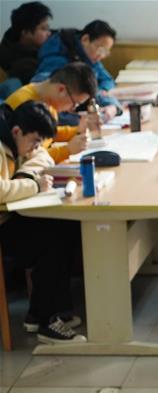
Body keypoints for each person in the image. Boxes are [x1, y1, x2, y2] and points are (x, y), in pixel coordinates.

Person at [0, 101, 85, 343]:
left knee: (66, 226)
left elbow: (42, 156)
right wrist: (33, 184)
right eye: (33, 141)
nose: (34, 148)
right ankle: (47, 324)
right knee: (50, 242)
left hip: (10, 215)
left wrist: (26, 173)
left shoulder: (17, 136)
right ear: (17, 132)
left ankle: (40, 314)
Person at [4, 62, 98, 163]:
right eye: (74, 103)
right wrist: (67, 150)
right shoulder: (24, 104)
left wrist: (77, 130)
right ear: (61, 90)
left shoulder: (49, 102)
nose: (72, 109)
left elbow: (46, 135)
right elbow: (26, 157)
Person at [32, 19, 119, 116]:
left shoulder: (90, 56)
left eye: (105, 52)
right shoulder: (57, 58)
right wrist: (81, 121)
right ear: (85, 39)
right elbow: (50, 101)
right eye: (100, 50)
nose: (101, 56)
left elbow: (106, 80)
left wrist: (110, 102)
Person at [0, 2, 52, 84]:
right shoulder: (23, 67)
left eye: (48, 28)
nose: (49, 33)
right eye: (43, 28)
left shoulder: (13, 43)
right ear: (26, 33)